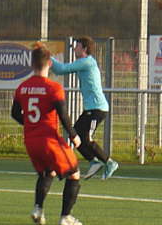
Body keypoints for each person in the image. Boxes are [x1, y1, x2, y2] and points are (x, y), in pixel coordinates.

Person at [11, 42, 83, 225]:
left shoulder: (22, 87)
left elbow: (14, 113)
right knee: (74, 173)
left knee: (47, 173)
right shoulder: (53, 88)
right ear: (49, 63)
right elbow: (63, 114)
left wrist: (30, 124)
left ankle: (38, 209)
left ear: (31, 64)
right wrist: (74, 135)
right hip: (49, 139)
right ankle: (66, 216)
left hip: (30, 140)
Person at [50, 36, 119, 180]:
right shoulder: (83, 62)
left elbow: (62, 69)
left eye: (77, 46)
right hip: (91, 108)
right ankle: (93, 161)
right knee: (75, 134)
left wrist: (47, 57)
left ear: (84, 49)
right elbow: (59, 70)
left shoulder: (86, 62)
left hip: (98, 109)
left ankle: (109, 162)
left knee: (86, 137)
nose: (75, 48)